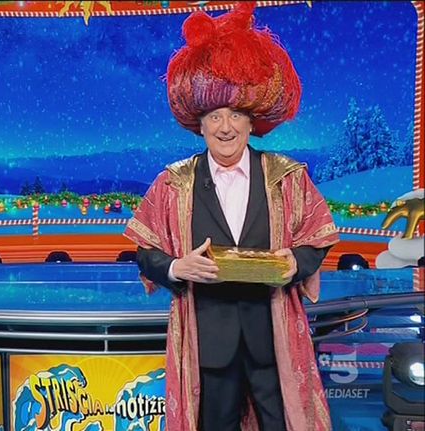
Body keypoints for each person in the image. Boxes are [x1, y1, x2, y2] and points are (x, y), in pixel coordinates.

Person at [124, 4, 339, 431]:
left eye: (236, 114)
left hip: (272, 340)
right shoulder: (173, 183)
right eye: (215, 116)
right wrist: (177, 266)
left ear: (251, 122)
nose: (226, 126)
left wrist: (295, 262)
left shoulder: (286, 176)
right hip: (209, 344)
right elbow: (145, 253)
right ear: (199, 124)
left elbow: (318, 238)